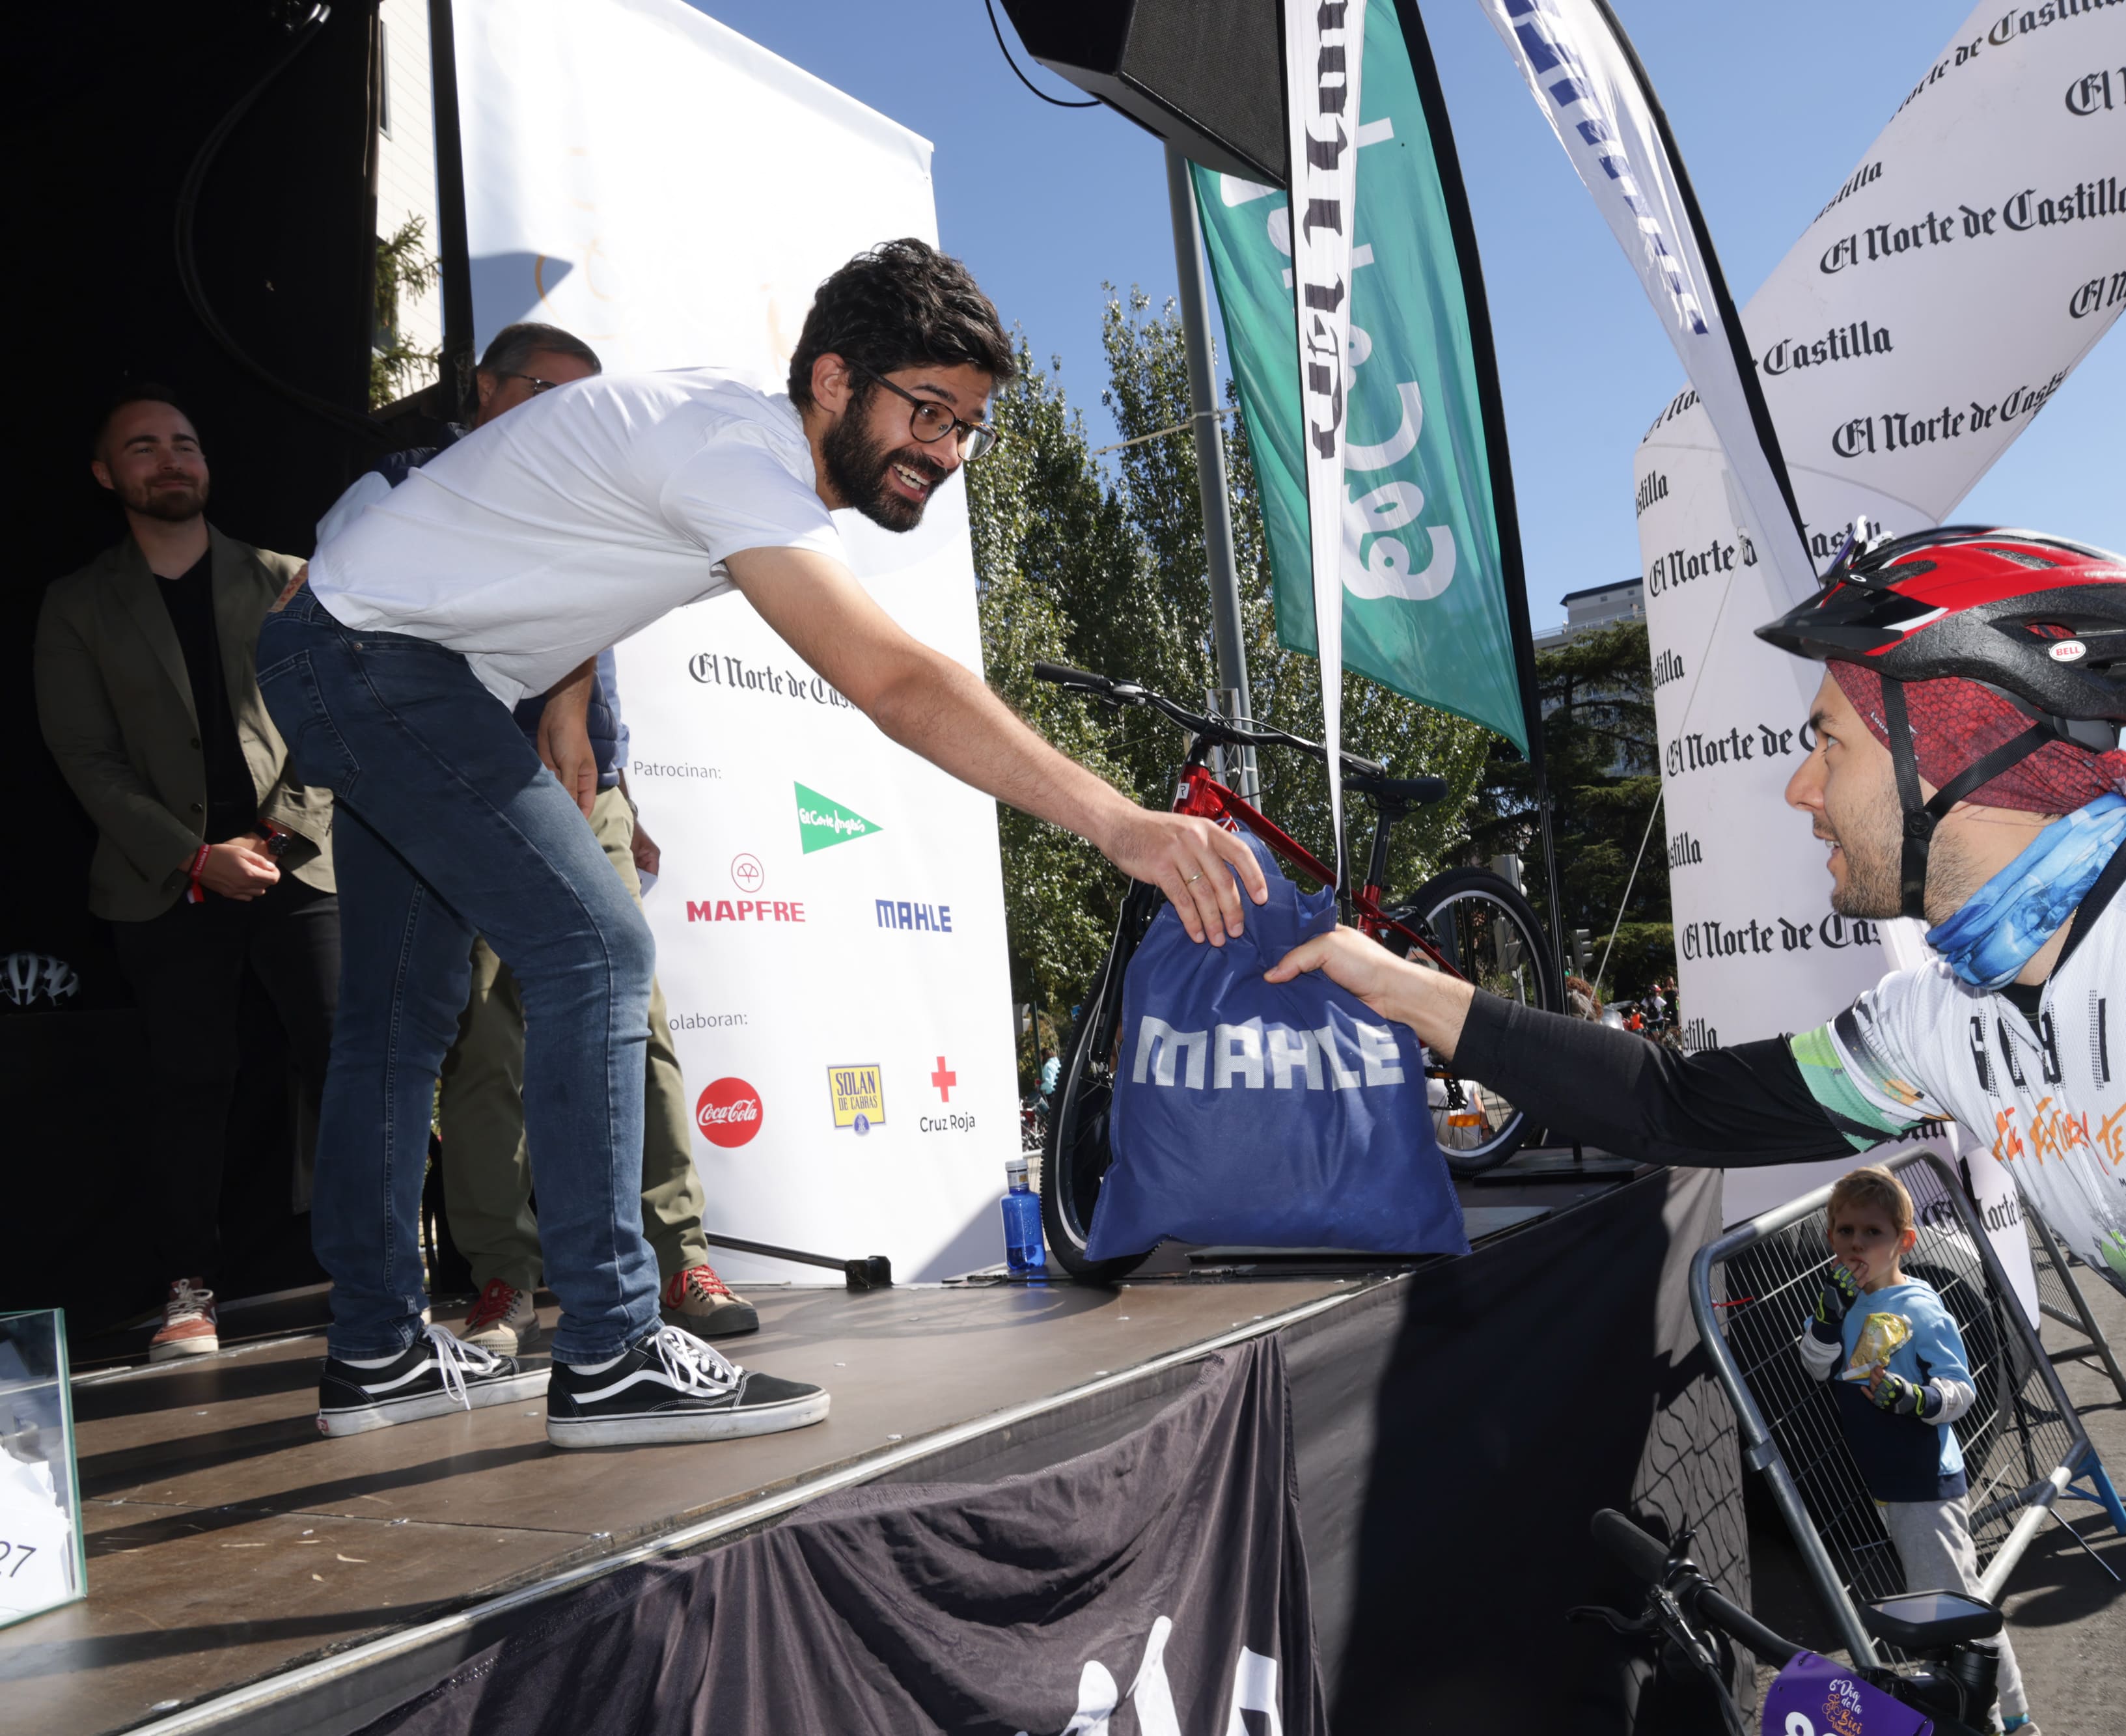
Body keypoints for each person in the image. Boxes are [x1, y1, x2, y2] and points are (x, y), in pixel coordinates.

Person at [1269, 527, 2126, 1736]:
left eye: (1827, 743)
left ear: (1950, 745)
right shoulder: (1944, 1012)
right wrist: (1385, 979)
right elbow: (1670, 1104)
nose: (1799, 789)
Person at [262, 240, 1269, 1448]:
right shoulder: (743, 454)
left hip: (384, 660)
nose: (946, 454)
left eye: (968, 429)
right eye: (929, 412)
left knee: (401, 1011)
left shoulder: (718, 444)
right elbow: (896, 680)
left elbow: (547, 539)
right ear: (836, 381)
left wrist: (568, 701)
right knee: (595, 949)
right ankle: (612, 1347)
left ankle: (374, 1349)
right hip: (380, 664)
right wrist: (1117, 820)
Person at [316, 323, 754, 1352]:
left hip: (579, 786)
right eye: (545, 391)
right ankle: (504, 1280)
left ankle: (675, 1252)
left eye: (586, 400)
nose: (569, 417)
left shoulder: (597, 496)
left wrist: (624, 787)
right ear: (483, 389)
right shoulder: (403, 482)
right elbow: (340, 611)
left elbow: (590, 651)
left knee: (631, 1013)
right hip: (448, 785)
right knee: (479, 1040)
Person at [36, 387, 339, 1363]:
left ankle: (377, 1268)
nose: (170, 460)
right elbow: (85, 758)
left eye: (184, 443)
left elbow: (331, 720)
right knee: (189, 1085)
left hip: (300, 864)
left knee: (350, 1062)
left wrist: (274, 844)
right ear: (106, 474)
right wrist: (195, 854)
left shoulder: (290, 577)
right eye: (142, 446)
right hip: (164, 879)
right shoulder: (78, 602)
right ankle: (188, 1286)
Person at [1802, 1166, 2036, 1736]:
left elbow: (1962, 1389)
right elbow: (1813, 1366)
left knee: (1958, 1604)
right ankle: (1968, 1704)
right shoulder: (1837, 1303)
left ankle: (2015, 1717)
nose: (1857, 1244)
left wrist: (1917, 1398)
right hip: (1887, 1481)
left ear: (1904, 1241)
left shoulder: (1920, 1305)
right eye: (1845, 1230)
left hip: (1924, 1480)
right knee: (1943, 1598)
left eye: (1873, 1232)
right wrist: (1828, 1320)